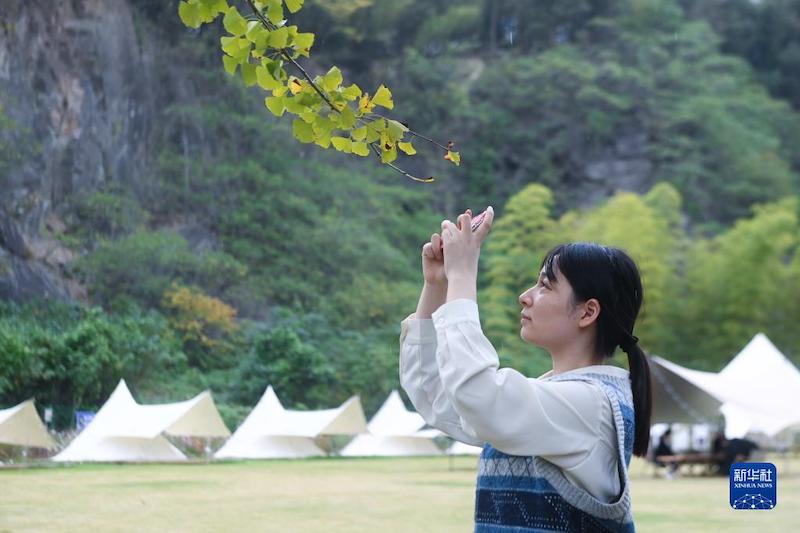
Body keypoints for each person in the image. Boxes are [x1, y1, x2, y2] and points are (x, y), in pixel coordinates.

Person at [400, 208, 652, 533]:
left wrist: (464, 275)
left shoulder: (592, 405)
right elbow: (437, 395)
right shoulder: (555, 400)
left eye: (545, 286)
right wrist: (439, 284)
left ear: (588, 312)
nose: (525, 297)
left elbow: (477, 394)